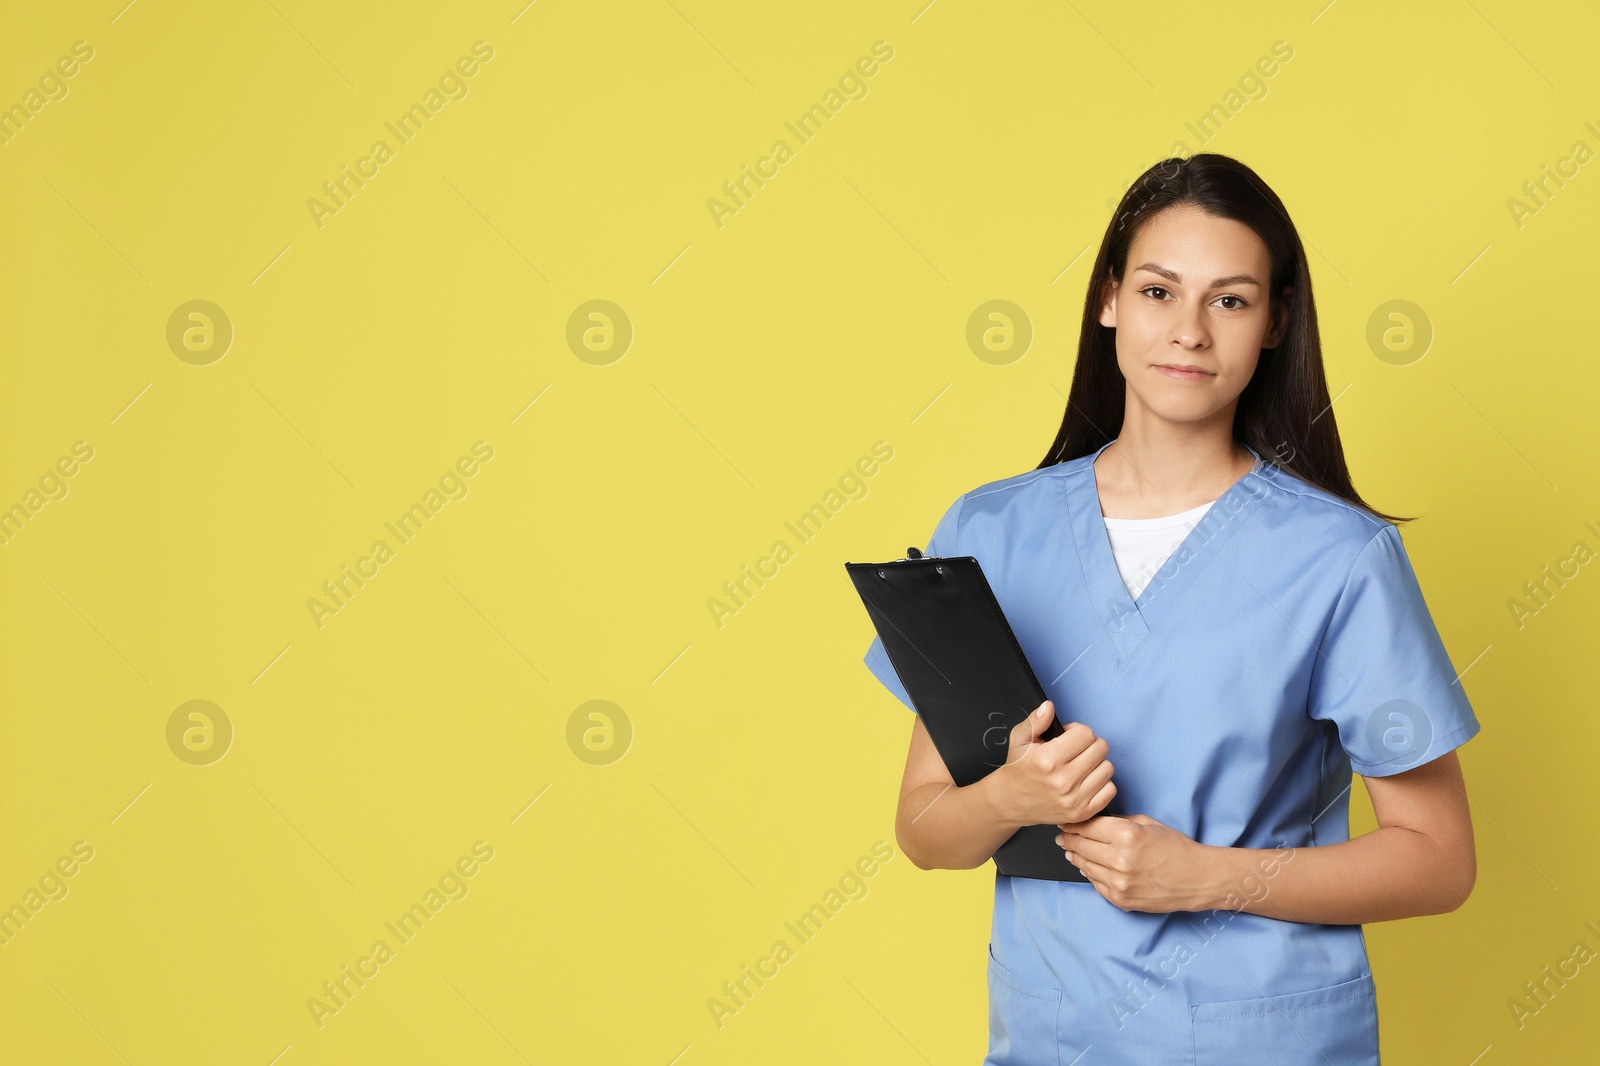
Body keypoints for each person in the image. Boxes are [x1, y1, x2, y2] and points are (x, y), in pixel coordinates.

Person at [860, 153, 1480, 1065]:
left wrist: (1208, 878)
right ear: (1109, 299)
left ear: (1274, 324)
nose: (1188, 331)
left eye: (1229, 300)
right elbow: (923, 832)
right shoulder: (991, 531)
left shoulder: (1338, 560)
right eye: (1158, 291)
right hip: (1050, 1035)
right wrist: (1010, 795)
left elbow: (1438, 857)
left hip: (1262, 1039)